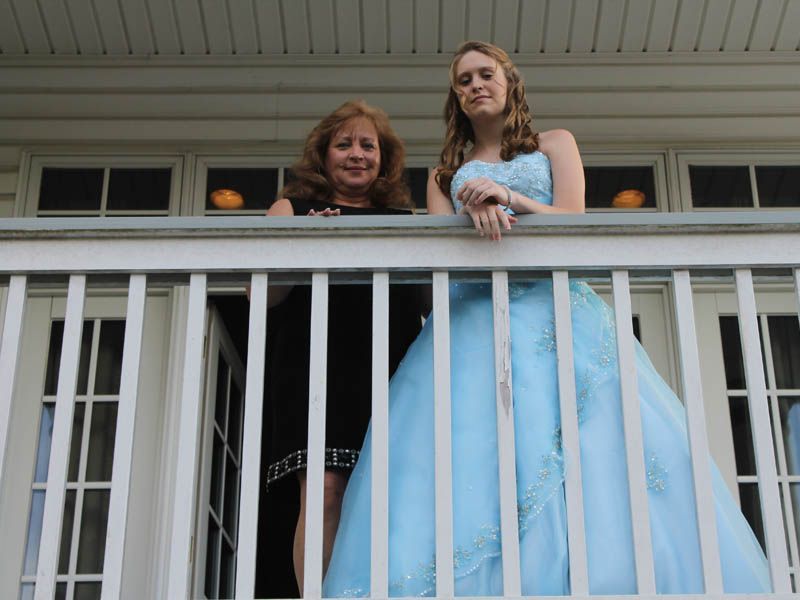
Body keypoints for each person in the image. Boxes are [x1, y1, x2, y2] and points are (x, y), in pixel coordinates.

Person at [322, 43, 771, 596]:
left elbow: (576, 224)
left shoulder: (554, 145)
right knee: (471, 467)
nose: (475, 85)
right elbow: (446, 266)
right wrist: (470, 211)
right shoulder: (443, 178)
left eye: (486, 74)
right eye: (463, 81)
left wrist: (507, 196)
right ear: (456, 99)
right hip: (474, 328)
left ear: (509, 82)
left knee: (587, 453)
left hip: (557, 317)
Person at [260, 100, 422, 596]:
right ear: (323, 155)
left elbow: (427, 299)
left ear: (383, 157)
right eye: (344, 144)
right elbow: (260, 294)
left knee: (380, 496)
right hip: (315, 364)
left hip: (388, 364)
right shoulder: (293, 210)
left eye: (367, 145)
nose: (357, 154)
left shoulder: (403, 218)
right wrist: (307, 242)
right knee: (325, 490)